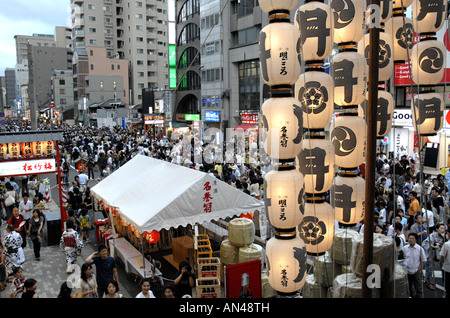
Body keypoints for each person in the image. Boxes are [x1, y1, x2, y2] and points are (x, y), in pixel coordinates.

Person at [402, 233, 427, 298]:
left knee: (418, 287)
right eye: (410, 238)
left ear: (415, 240)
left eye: (412, 238)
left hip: (416, 270)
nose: (411, 240)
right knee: (408, 286)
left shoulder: (420, 249)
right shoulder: (405, 248)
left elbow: (423, 260)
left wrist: (419, 269)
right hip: (407, 271)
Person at [439, 230, 450, 299]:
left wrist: (440, 263)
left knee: (447, 284)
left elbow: (442, 256)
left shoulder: (447, 244)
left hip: (447, 268)